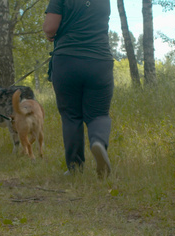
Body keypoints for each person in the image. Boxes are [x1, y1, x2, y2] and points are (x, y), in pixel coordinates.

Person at [43, 0, 115, 178]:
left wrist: (49, 33)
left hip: (67, 60)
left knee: (71, 116)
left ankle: (75, 167)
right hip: (100, 61)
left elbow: (50, 27)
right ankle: (98, 142)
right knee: (99, 114)